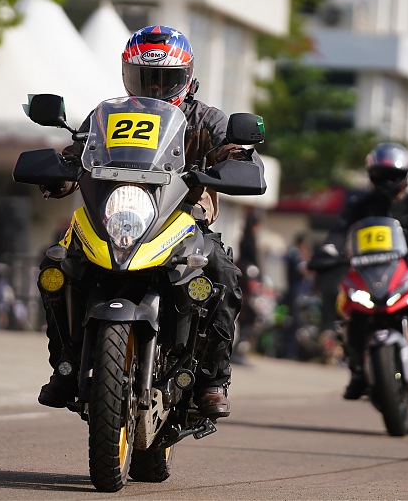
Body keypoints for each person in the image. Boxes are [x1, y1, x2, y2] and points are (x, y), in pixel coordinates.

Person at [36, 25, 255, 418]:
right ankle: (66, 365)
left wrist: (237, 159)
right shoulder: (108, 115)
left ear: (186, 78)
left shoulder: (206, 118)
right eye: (144, 78)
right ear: (127, 75)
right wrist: (60, 170)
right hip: (114, 217)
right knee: (57, 264)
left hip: (182, 218)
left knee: (223, 272)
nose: (154, 88)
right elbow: (77, 150)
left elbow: (230, 147)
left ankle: (211, 380)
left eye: (165, 79)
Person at [313, 142, 408, 399]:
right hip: (366, 273)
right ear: (371, 175)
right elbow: (338, 231)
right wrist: (329, 249)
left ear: (405, 175)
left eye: (393, 175)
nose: (387, 181)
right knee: (349, 312)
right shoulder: (359, 204)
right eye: (381, 175)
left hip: (406, 270)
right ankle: (357, 370)